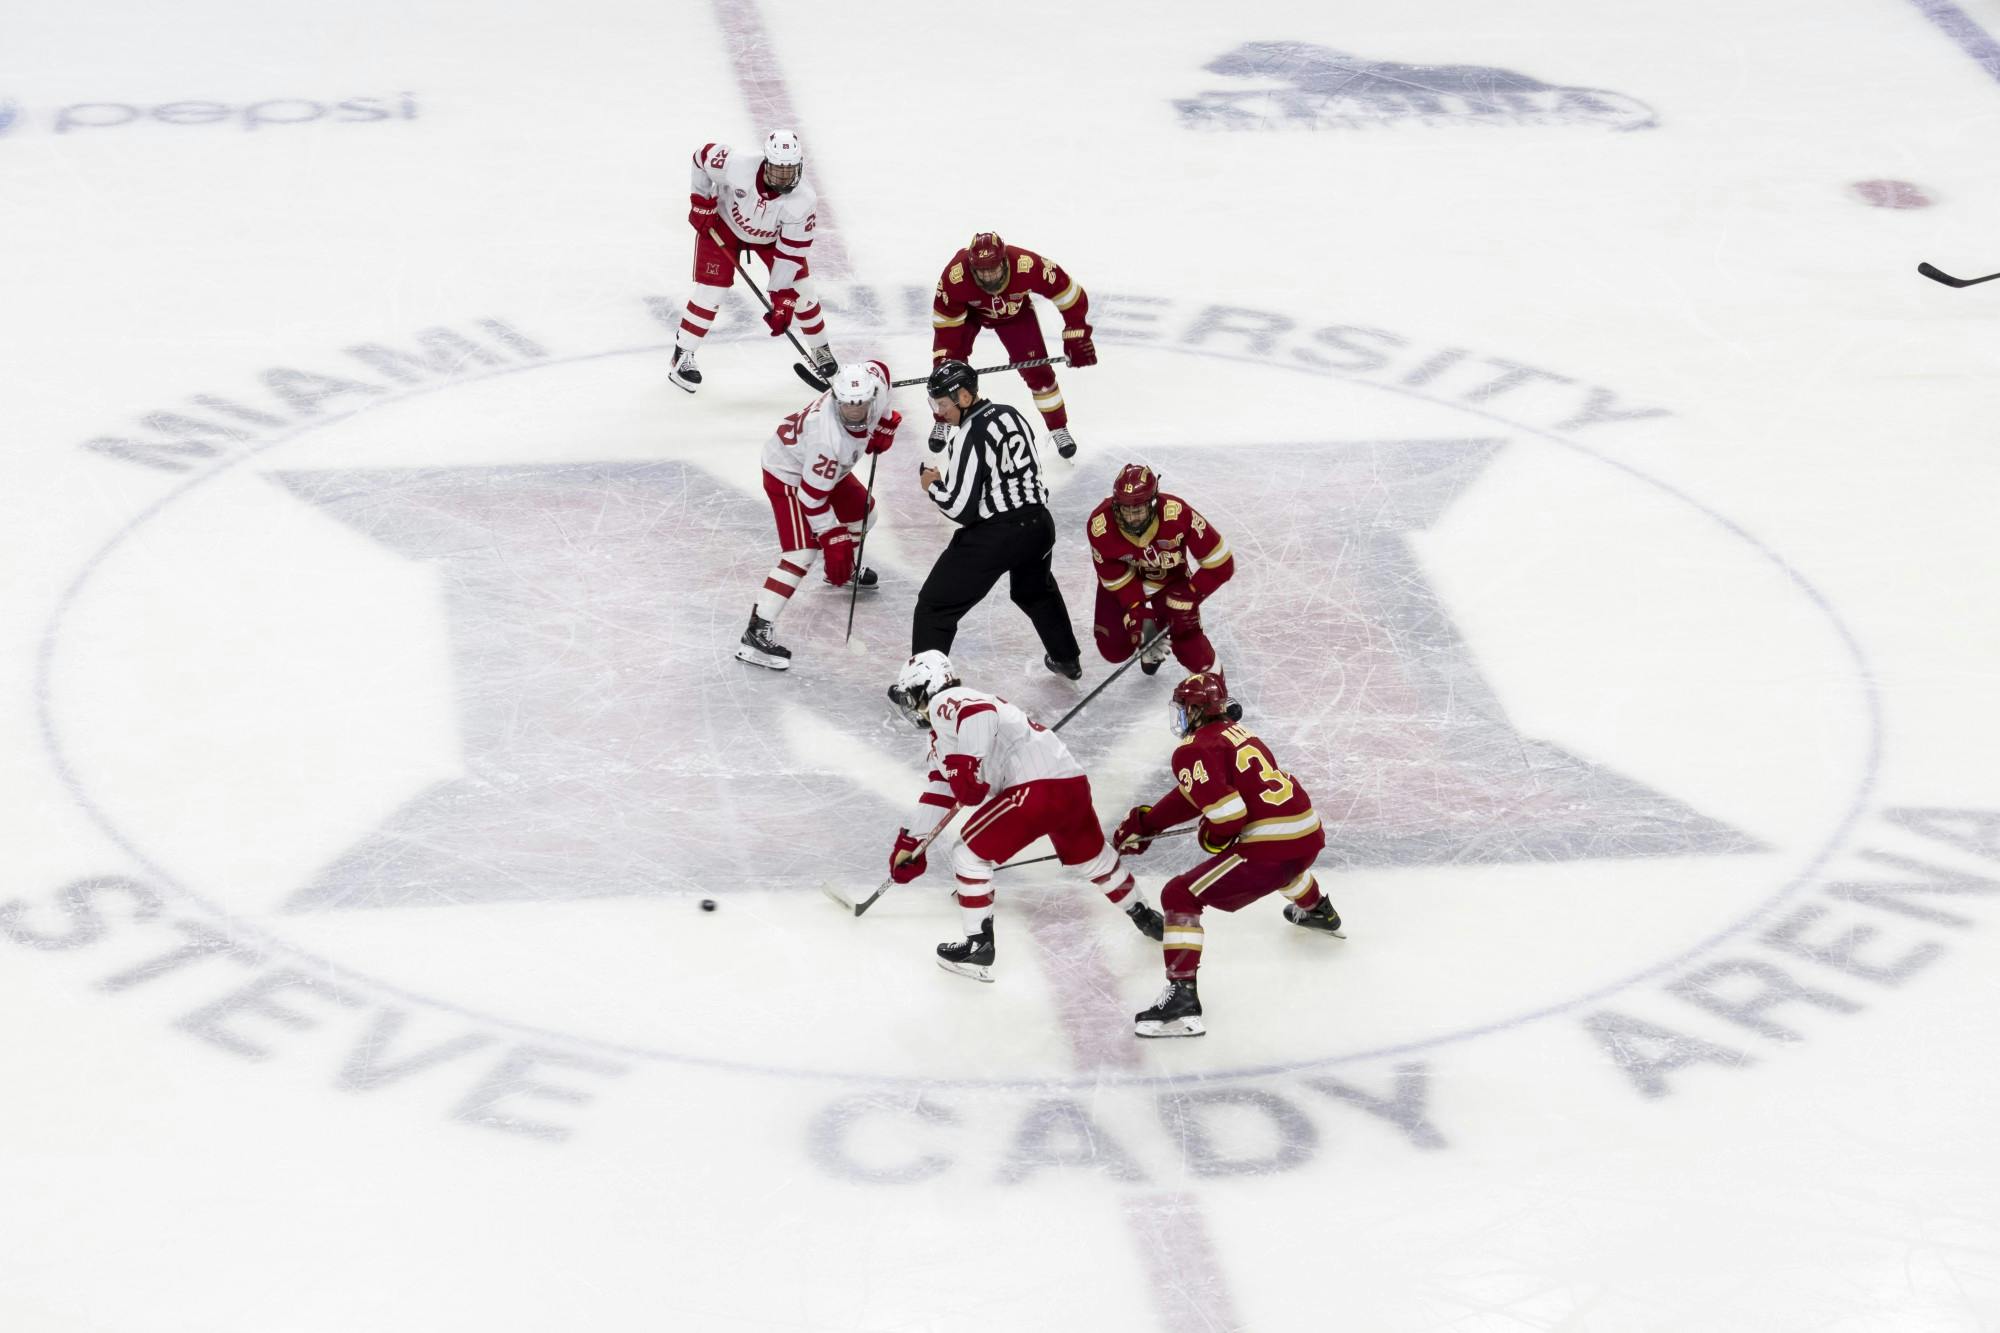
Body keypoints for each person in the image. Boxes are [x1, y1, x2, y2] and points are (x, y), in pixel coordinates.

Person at [885, 650, 1162, 980]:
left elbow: (979, 714)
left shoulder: (949, 699)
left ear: (927, 686)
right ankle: (1144, 914)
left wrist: (967, 763)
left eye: (911, 696)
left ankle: (978, 948)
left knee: (968, 856)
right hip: (1071, 784)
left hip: (1035, 789)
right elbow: (940, 791)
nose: (911, 706)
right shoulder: (942, 738)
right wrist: (913, 842)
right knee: (1094, 859)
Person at [1113, 670, 1343, 1037]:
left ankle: (1182, 997)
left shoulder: (1192, 749)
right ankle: (1319, 910)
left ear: (1198, 710)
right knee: (1284, 868)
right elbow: (1198, 792)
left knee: (1179, 894)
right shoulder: (1238, 733)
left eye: (1185, 708)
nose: (1182, 716)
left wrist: (1214, 836)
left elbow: (1227, 816)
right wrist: (1150, 822)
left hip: (1272, 848)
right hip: (1308, 835)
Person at [912, 360, 1082, 679]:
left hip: (998, 536)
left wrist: (932, 485)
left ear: (964, 397)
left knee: (935, 606)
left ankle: (922, 687)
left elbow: (960, 508)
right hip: (1040, 526)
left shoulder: (968, 435)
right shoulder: (1010, 413)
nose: (940, 412)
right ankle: (1067, 659)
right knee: (1034, 591)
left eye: (943, 403)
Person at [736, 362, 901, 670]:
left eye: (862, 405)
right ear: (835, 399)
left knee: (866, 514)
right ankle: (755, 633)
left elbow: (880, 368)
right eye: (847, 406)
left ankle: (843, 569)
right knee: (802, 553)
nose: (855, 412)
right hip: (790, 475)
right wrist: (832, 537)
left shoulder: (875, 384)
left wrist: (885, 422)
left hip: (825, 473)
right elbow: (811, 497)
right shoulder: (827, 439)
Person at [668, 129, 837, 393]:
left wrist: (782, 295)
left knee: (803, 293)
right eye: (779, 171)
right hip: (722, 225)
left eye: (790, 171)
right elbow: (701, 158)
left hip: (771, 239)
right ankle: (682, 354)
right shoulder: (737, 165)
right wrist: (700, 200)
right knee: (712, 291)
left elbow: (791, 252)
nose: (784, 178)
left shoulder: (803, 201)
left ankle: (820, 349)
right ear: (766, 162)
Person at [930, 232, 1095, 459]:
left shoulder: (1027, 265)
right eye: (982, 270)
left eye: (993, 269)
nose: (988, 276)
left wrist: (1076, 332)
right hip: (968, 315)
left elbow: (1069, 293)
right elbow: (945, 324)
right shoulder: (955, 277)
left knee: (1039, 374)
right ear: (971, 265)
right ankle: (943, 420)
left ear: (1005, 261)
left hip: (1014, 316)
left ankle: (1058, 428)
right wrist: (944, 360)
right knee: (947, 372)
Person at [1085, 464, 1234, 677]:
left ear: (1153, 503)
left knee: (1187, 640)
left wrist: (1191, 595)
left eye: (1137, 510)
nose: (1130, 517)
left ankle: (1215, 695)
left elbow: (1222, 562)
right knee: (1114, 649)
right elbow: (1113, 576)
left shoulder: (1178, 514)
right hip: (1126, 584)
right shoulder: (1100, 526)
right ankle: (1148, 648)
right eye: (1125, 509)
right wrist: (1137, 611)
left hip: (1170, 581)